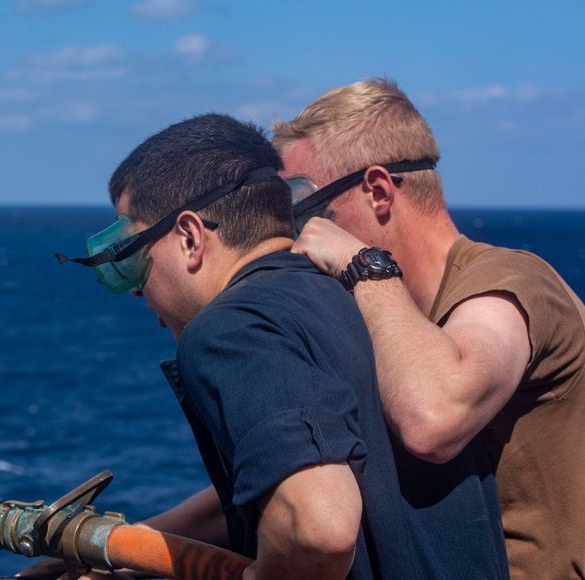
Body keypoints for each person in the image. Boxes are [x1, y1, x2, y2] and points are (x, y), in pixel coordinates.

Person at [42, 113, 507, 578]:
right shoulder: (368, 307)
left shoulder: (229, 328)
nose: (137, 290)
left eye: (132, 256)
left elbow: (319, 528)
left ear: (189, 238)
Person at [273, 78, 585, 579]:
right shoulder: (384, 317)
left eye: (301, 208)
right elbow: (301, 468)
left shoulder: (512, 282)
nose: (297, 234)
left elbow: (433, 420)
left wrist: (360, 263)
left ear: (378, 190)